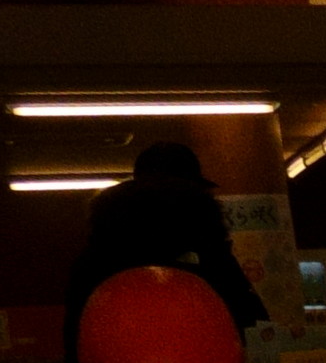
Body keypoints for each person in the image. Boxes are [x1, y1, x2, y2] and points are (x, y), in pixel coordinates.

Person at [61, 143, 268, 346]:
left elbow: (78, 327)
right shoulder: (206, 246)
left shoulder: (99, 251)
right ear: (195, 192)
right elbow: (251, 320)